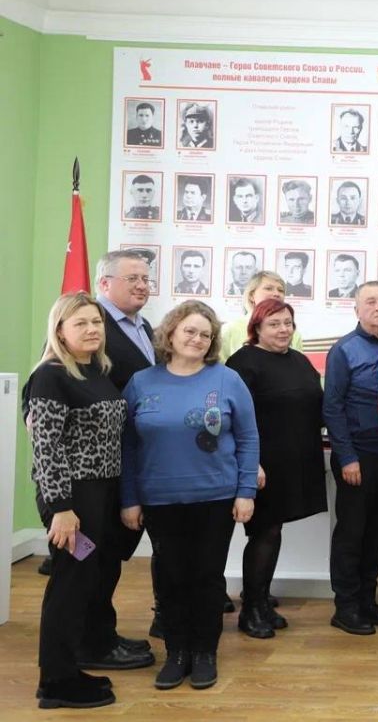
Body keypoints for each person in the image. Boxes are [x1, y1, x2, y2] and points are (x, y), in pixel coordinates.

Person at [120, 301, 259, 691]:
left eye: (205, 334)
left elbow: (248, 438)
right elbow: (127, 446)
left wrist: (246, 491)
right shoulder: (141, 382)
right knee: (170, 578)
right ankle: (176, 653)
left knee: (207, 577)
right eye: (190, 331)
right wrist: (129, 498)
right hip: (159, 499)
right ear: (171, 333)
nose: (198, 339)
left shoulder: (228, 380)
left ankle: (204, 653)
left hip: (215, 498)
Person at [27, 293, 130, 709]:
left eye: (96, 322)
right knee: (70, 583)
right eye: (80, 323)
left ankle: (69, 667)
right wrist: (61, 509)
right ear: (60, 330)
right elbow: (46, 447)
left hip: (99, 493)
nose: (91, 329)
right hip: (72, 498)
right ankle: (55, 682)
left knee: (86, 579)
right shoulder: (50, 376)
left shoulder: (95, 370)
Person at [226, 299, 326, 638]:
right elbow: (234, 418)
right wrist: (249, 463)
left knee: (273, 531)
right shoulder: (243, 362)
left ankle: (262, 602)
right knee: (264, 532)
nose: (283, 330)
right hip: (260, 465)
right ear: (256, 328)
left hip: (292, 462)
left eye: (288, 323)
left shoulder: (298, 359)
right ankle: (250, 610)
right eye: (274, 324)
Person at [92, 251, 162, 649]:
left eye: (145, 279)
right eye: (132, 278)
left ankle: (104, 635)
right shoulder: (93, 324)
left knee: (113, 552)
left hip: (134, 458)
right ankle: (94, 642)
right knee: (97, 555)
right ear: (105, 284)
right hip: (99, 463)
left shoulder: (143, 326)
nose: (141, 285)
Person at [323, 281, 378, 635]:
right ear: (357, 309)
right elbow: (332, 407)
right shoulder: (344, 350)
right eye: (371, 302)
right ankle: (346, 607)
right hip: (358, 456)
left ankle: (368, 601)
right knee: (352, 534)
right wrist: (347, 457)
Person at [219, 270, 303, 361]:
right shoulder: (229, 330)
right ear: (251, 296)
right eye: (268, 288)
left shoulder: (293, 334)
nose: (276, 294)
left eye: (281, 290)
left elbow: (298, 366)